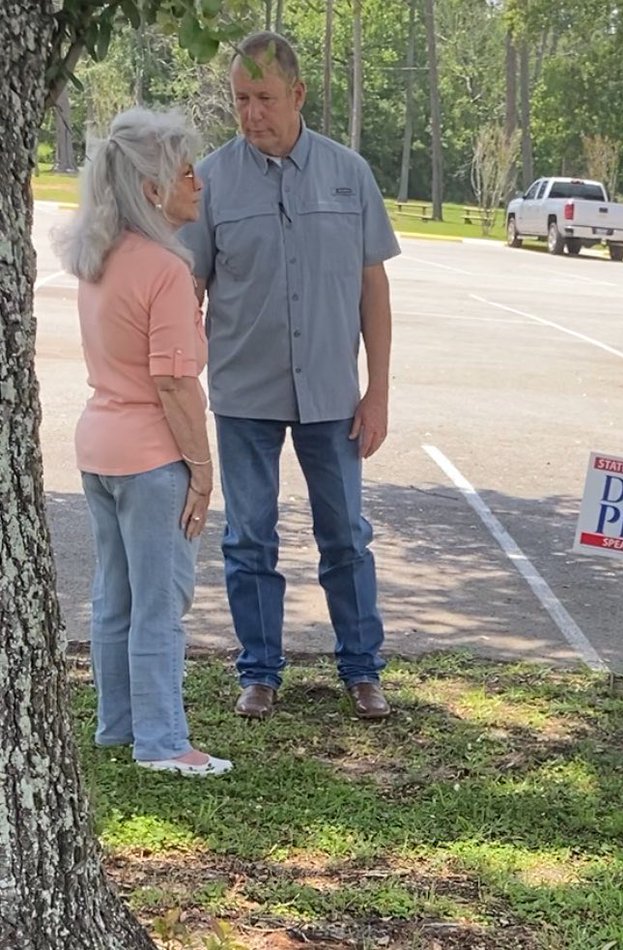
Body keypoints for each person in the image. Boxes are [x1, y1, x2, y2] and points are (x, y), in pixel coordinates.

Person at [179, 31, 400, 721]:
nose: (251, 114)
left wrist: (379, 391)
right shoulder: (210, 181)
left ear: (298, 95)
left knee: (344, 536)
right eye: (241, 99)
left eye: (265, 99)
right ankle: (260, 672)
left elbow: (373, 290)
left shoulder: (349, 174)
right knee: (249, 539)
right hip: (244, 394)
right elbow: (187, 292)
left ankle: (362, 671)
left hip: (332, 396)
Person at [55, 108, 232, 777]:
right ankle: (162, 742)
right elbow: (175, 384)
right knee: (159, 602)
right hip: (153, 458)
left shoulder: (99, 255)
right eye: (187, 171)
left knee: (116, 595)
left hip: (99, 448)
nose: (200, 182)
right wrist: (202, 470)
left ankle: (118, 725)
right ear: (154, 187)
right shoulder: (163, 267)